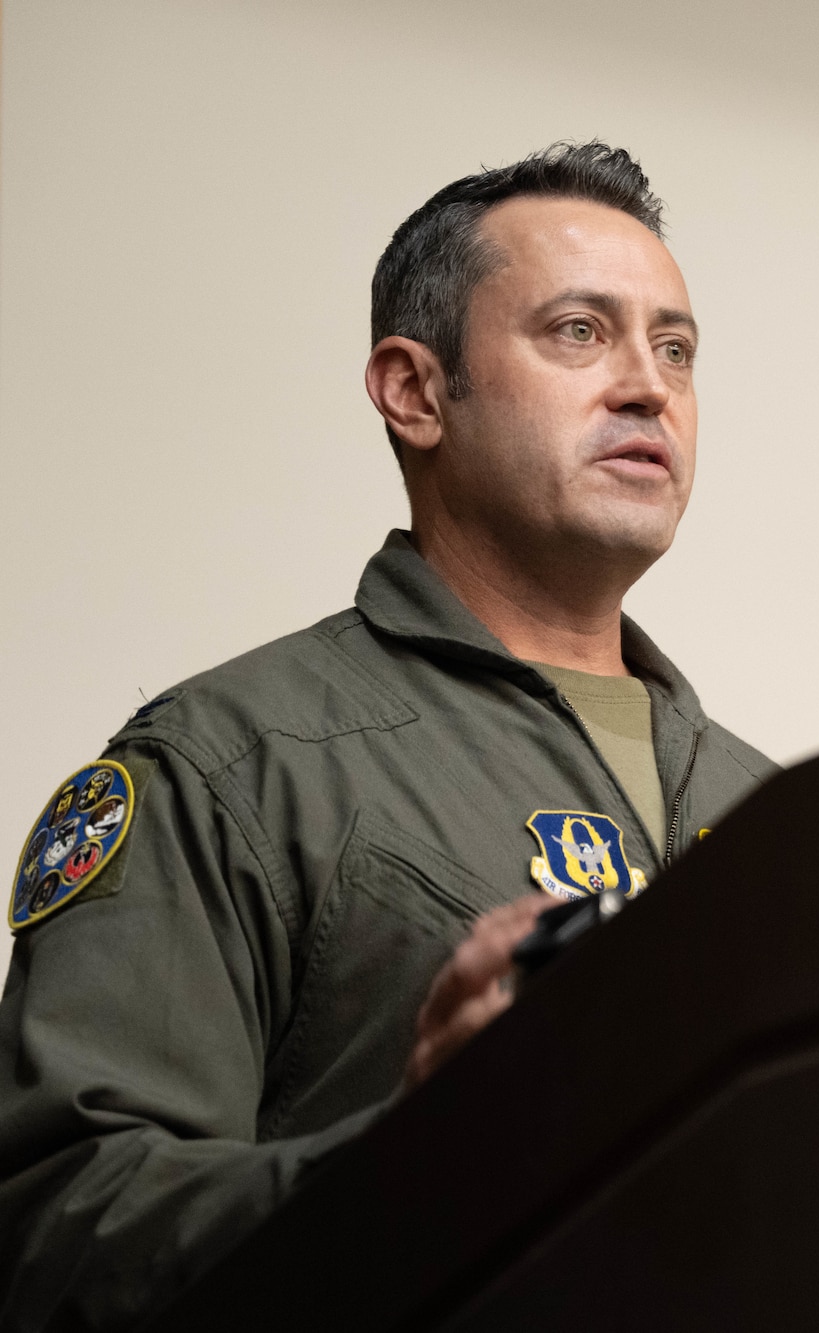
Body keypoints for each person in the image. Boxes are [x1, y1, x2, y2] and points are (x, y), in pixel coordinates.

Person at [0, 141, 776, 1331]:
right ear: (415, 391)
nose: (648, 387)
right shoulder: (232, 763)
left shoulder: (777, 812)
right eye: (579, 332)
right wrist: (413, 1156)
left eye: (675, 349)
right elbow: (53, 1231)